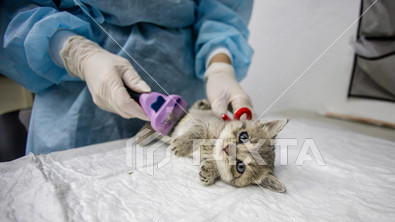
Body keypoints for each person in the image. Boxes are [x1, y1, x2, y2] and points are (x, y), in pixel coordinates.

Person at [0, 0, 254, 155]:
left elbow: (221, 13)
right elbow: (14, 12)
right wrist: (75, 52)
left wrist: (220, 66)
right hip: (78, 116)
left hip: (184, 93)